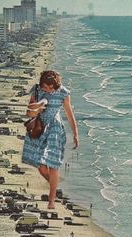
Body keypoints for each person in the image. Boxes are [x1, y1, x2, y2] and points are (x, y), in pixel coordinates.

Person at [22, 70, 79, 209]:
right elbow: (28, 112)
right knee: (41, 167)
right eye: (44, 87)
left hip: (55, 129)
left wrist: (76, 134)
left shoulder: (63, 93)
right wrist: (37, 109)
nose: (46, 90)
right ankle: (55, 186)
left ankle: (51, 201)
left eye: (49, 88)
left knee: (53, 165)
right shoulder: (36, 90)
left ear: (55, 86)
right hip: (39, 128)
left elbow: (69, 114)